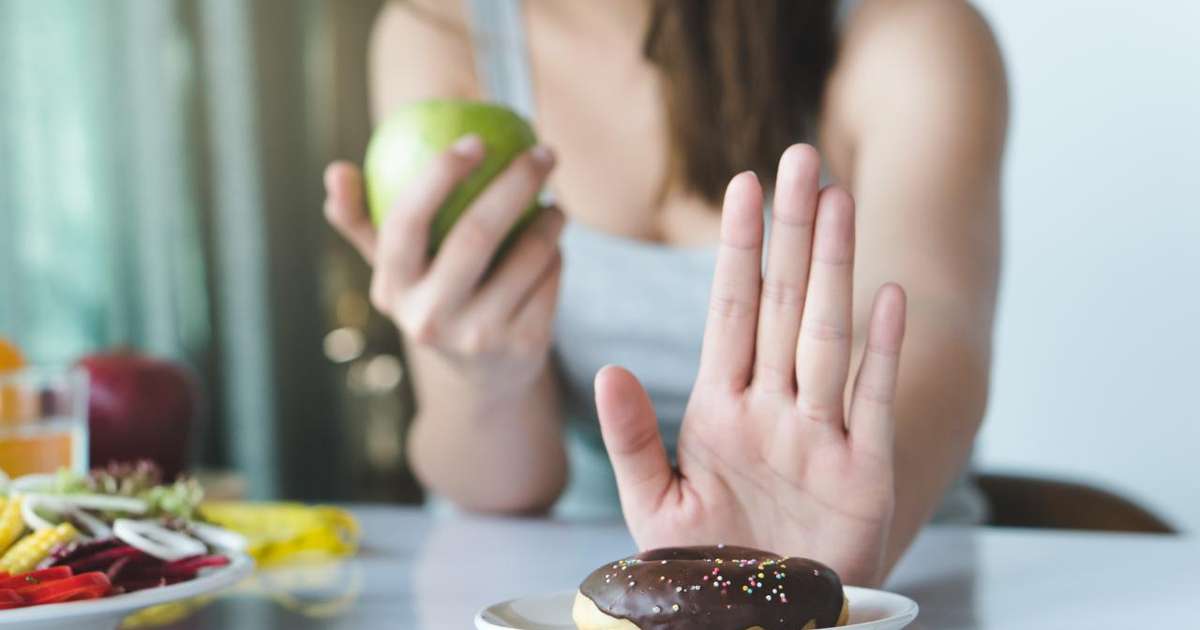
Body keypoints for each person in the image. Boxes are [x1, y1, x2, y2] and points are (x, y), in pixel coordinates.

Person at [323, 0, 1007, 586]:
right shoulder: (441, 32)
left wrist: (820, 550)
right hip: (560, 590)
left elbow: (936, 333)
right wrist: (481, 374)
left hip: (887, 576)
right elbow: (506, 492)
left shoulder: (910, 34)